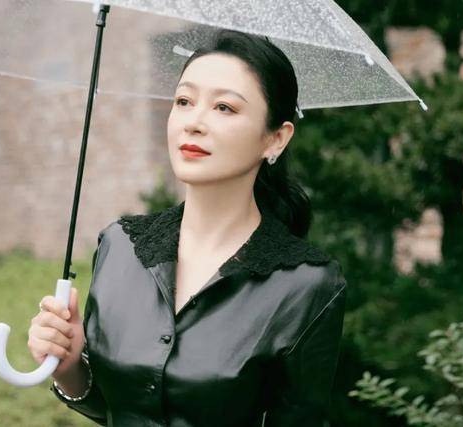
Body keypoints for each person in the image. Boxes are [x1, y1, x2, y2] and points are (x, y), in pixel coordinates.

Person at [27, 29, 347, 426]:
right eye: (184, 101)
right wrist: (69, 367)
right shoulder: (121, 245)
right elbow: (116, 407)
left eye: (224, 107)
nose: (193, 122)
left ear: (276, 139)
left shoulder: (306, 284)